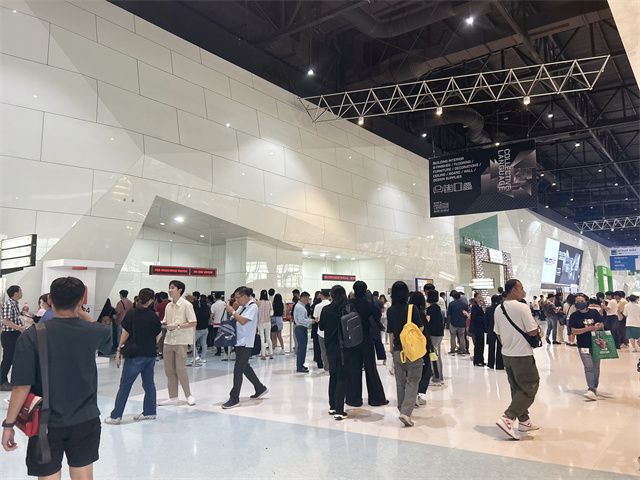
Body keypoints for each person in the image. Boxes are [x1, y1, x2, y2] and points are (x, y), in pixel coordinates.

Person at [2, 277, 111, 478]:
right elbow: (103, 333)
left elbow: (21, 387)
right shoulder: (93, 331)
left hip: (45, 422)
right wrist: (81, 312)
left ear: (50, 299)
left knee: (48, 474)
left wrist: (9, 424)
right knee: (83, 474)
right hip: (85, 418)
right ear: (81, 301)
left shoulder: (32, 335)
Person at [105, 288, 163, 424]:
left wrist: (119, 348)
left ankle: (116, 415)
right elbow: (159, 334)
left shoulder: (132, 313)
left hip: (135, 354)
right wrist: (150, 343)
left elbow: (125, 333)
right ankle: (150, 412)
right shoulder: (153, 315)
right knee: (149, 384)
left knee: (125, 385)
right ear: (151, 300)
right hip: (150, 354)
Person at [494, 279, 540, 440]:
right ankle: (508, 417)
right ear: (514, 290)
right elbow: (533, 331)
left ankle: (524, 421)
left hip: (507, 354)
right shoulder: (522, 307)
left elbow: (498, 333)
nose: (523, 291)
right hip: (522, 354)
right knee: (530, 386)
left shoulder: (498, 308)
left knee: (516, 387)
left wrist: (509, 344)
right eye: (521, 288)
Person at [222, 287, 268, 409]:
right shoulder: (243, 307)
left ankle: (234, 398)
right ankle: (260, 388)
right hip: (239, 341)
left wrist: (232, 311)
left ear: (245, 297)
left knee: (238, 369)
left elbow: (243, 321)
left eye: (237, 298)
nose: (236, 300)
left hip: (246, 342)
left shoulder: (252, 307)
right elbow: (236, 318)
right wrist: (233, 314)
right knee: (244, 367)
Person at [387, 281, 424, 427]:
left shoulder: (390, 310)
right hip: (412, 350)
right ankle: (406, 412)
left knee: (400, 380)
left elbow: (390, 331)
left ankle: (401, 408)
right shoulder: (411, 308)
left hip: (397, 349)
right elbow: (420, 328)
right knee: (413, 380)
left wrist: (391, 347)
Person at [347, 281, 387, 407]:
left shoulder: (349, 304)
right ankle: (376, 398)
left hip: (353, 339)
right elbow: (377, 317)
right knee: (371, 368)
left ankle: (353, 399)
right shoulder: (370, 304)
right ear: (365, 291)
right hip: (367, 338)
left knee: (354, 369)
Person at [158, 280, 197, 407]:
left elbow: (193, 322)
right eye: (169, 288)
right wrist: (162, 323)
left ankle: (188, 395)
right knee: (169, 370)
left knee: (181, 369)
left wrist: (178, 326)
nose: (170, 290)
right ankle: (173, 397)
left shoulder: (186, 305)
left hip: (181, 341)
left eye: (173, 288)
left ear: (180, 290)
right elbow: (165, 320)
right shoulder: (168, 306)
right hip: (168, 341)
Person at [319, 285, 354, 420]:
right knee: (342, 377)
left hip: (330, 347)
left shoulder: (326, 309)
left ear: (332, 295)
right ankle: (340, 410)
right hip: (345, 348)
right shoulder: (348, 309)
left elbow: (322, 326)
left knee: (333, 376)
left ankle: (332, 406)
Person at [568, 293, 605, 401]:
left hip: (596, 343)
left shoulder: (594, 313)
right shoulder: (574, 316)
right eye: (577, 302)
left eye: (581, 301)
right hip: (583, 345)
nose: (579, 303)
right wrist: (587, 329)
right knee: (588, 367)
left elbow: (602, 324)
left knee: (596, 367)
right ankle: (591, 389)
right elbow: (574, 331)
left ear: (586, 302)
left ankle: (595, 386)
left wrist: (598, 326)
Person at [1, 285, 26, 391]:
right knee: (8, 359)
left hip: (14, 334)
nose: (21, 293)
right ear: (15, 293)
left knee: (11, 358)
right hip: (9, 335)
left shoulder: (14, 304)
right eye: (20, 291)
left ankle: (4, 380)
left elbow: (14, 318)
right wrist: (19, 328)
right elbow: (5, 321)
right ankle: (1, 382)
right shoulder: (8, 304)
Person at [409, 291, 431, 407]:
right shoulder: (420, 314)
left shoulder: (407, 312)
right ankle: (416, 395)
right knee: (423, 371)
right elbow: (424, 330)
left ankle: (411, 396)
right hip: (420, 346)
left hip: (408, 345)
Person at [425, 290, 444, 385]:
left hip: (433, 335)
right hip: (439, 334)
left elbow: (427, 322)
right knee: (437, 355)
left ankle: (436, 378)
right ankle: (440, 376)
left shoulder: (430, 309)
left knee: (433, 356)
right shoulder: (437, 308)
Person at [293, 292, 312, 373]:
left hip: (300, 328)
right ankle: (300, 366)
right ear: (303, 298)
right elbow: (301, 320)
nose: (308, 301)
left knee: (302, 348)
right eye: (307, 299)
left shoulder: (299, 306)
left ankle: (300, 364)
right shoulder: (300, 307)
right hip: (301, 328)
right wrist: (311, 321)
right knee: (301, 348)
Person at [313, 289, 331, 374]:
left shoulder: (318, 306)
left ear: (321, 295)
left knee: (323, 350)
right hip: (331, 330)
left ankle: (326, 367)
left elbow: (316, 319)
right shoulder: (331, 305)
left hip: (321, 331)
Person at [485, 295, 504, 370]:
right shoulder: (500, 309)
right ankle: (499, 364)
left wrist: (486, 329)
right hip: (500, 329)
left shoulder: (488, 309)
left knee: (491, 347)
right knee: (500, 347)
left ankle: (490, 363)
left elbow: (486, 320)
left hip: (491, 329)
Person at [447, 291, 468, 355]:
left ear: (453, 297)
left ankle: (452, 350)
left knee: (453, 337)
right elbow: (466, 313)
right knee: (462, 337)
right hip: (462, 323)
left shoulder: (451, 304)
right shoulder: (465, 304)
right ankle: (463, 350)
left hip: (453, 322)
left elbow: (449, 313)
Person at [469, 292, 486, 366]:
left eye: (481, 297)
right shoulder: (475, 306)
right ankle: (477, 360)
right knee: (478, 344)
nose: (480, 299)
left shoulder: (479, 306)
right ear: (475, 298)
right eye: (478, 297)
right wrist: (483, 318)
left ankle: (481, 360)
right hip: (477, 328)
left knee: (481, 344)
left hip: (480, 328)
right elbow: (474, 317)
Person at [257, 290, 274, 360]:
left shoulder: (258, 303)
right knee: (268, 338)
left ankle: (263, 355)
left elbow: (256, 312)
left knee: (262, 338)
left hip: (260, 322)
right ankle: (271, 353)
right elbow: (271, 313)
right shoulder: (269, 302)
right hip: (268, 322)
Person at [194, 295, 210, 364]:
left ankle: (196, 356)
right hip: (206, 328)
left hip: (199, 329)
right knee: (203, 343)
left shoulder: (198, 310)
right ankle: (203, 358)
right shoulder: (207, 309)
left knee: (192, 342)